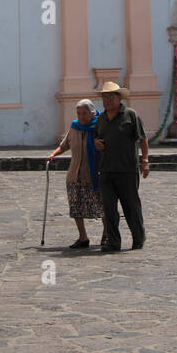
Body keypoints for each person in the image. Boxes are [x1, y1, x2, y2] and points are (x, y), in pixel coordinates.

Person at [94, 82, 149, 252]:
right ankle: (114, 241)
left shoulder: (130, 115)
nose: (107, 100)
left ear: (119, 98)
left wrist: (145, 160)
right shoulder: (101, 118)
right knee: (109, 209)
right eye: (105, 97)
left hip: (127, 170)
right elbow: (97, 137)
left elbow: (143, 138)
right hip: (106, 169)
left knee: (131, 207)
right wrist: (96, 143)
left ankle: (138, 238)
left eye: (111, 96)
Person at [49, 99, 108, 248]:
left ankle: (106, 234)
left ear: (92, 113)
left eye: (84, 113)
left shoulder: (100, 127)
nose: (81, 116)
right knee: (76, 207)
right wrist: (53, 154)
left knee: (103, 206)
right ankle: (83, 237)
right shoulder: (74, 127)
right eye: (79, 113)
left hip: (94, 175)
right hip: (75, 175)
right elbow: (64, 145)